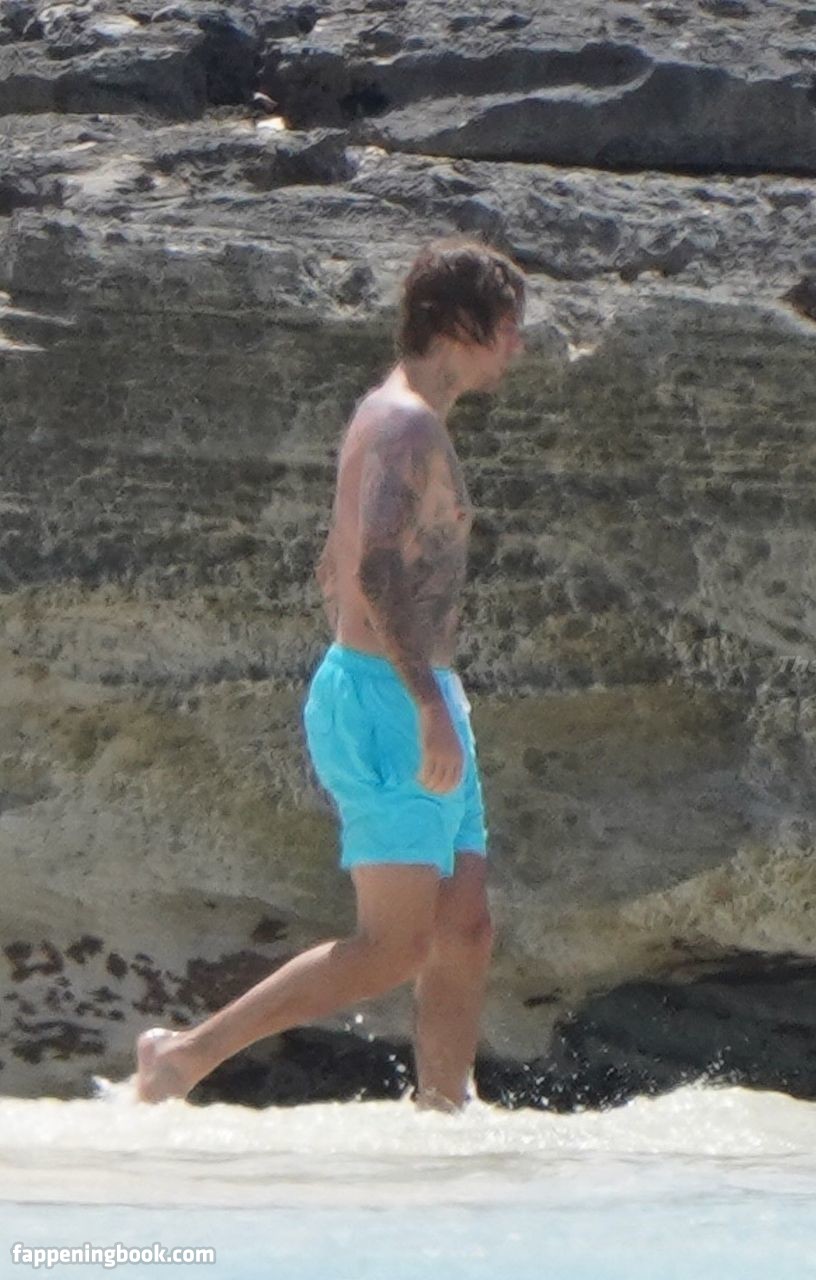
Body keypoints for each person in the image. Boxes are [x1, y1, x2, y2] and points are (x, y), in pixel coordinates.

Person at [136, 237, 527, 1110]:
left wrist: (431, 695)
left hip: (417, 691)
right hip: (395, 698)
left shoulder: (396, 417)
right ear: (461, 325)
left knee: (464, 927)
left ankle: (444, 1112)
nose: (518, 345)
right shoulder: (405, 424)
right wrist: (418, 701)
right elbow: (376, 568)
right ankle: (182, 1058)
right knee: (393, 947)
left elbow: (335, 559)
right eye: (508, 326)